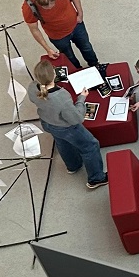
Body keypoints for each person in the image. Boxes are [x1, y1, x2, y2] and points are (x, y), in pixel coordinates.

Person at [27, 60, 108, 189]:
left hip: (48, 123)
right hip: (66, 128)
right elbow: (77, 118)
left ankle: (73, 166)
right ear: (53, 75)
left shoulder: (32, 87)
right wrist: (82, 98)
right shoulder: (61, 96)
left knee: (62, 143)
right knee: (90, 146)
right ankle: (96, 178)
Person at [21, 0, 98, 69]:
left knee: (87, 47)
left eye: (52, 4)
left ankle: (95, 65)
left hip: (76, 25)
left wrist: (80, 14)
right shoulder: (29, 7)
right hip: (58, 37)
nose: (50, 8)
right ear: (37, 2)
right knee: (68, 56)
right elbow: (34, 29)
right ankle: (76, 70)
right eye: (46, 7)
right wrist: (48, 49)